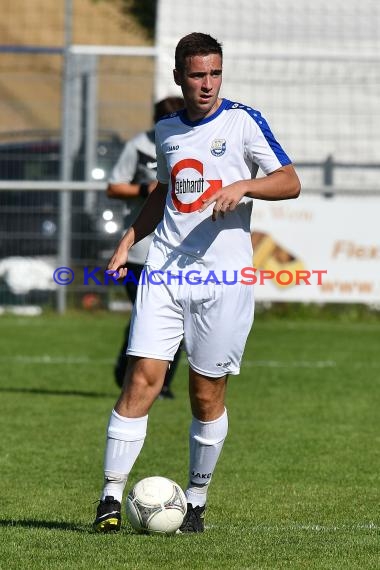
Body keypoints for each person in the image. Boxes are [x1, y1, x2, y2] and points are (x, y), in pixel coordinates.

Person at [93, 32, 300, 533]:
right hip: (165, 269)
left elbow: (289, 181)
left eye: (215, 73)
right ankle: (110, 499)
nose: (207, 84)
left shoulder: (243, 121)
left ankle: (197, 500)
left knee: (206, 395)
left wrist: (245, 184)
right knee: (143, 376)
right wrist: (128, 241)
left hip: (223, 280)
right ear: (179, 77)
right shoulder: (167, 130)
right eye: (197, 75)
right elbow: (163, 191)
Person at [107, 96, 184, 397]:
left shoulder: (193, 141)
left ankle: (161, 383)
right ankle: (129, 372)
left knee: (174, 316)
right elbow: (113, 186)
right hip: (140, 251)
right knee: (147, 314)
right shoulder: (139, 147)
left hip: (178, 251)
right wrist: (144, 189)